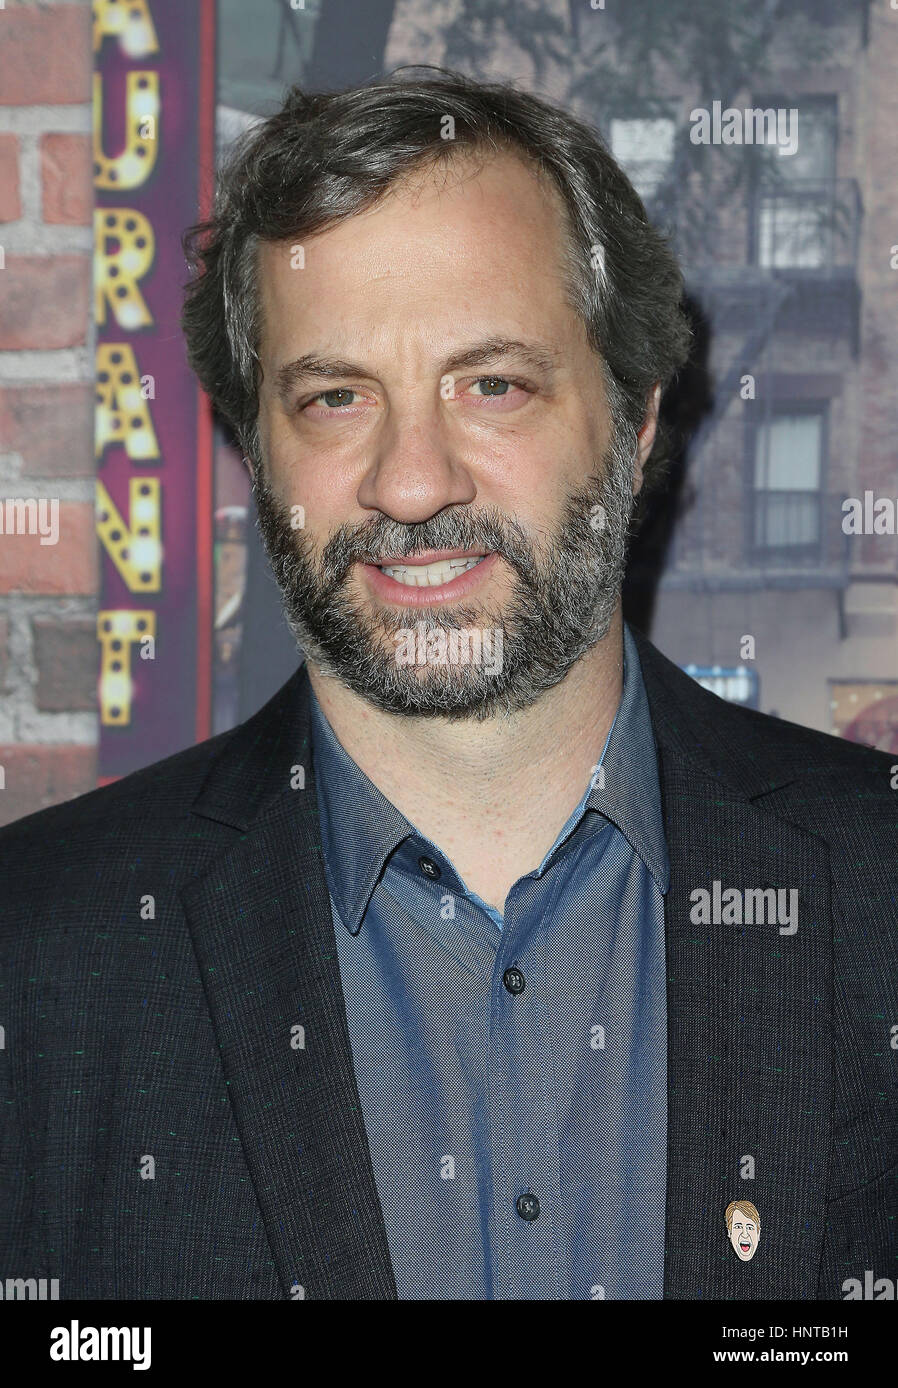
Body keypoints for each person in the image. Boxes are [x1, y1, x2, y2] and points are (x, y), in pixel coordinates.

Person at [1, 68, 894, 1301]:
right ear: (259, 450)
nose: (411, 483)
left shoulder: (876, 889)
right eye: (335, 397)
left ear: (633, 420)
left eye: (491, 385)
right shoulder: (38, 952)